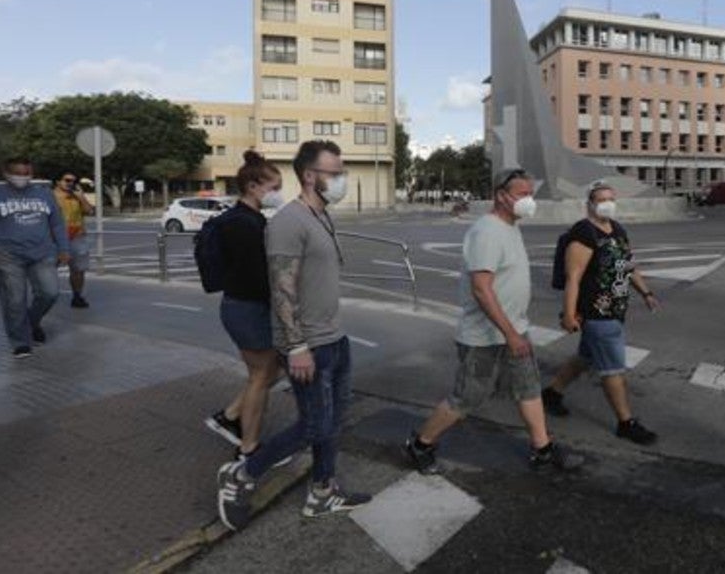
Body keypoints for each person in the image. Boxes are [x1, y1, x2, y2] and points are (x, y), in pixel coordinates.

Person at [217, 141, 371, 531]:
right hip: (308, 344)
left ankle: (322, 491)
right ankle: (242, 475)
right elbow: (281, 287)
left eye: (341, 172)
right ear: (309, 175)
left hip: (334, 338)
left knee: (333, 422)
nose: (341, 180)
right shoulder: (289, 221)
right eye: (333, 173)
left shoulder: (321, 216)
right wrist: (297, 345)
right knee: (314, 426)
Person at [404, 168, 581, 475]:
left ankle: (543, 449)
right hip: (484, 338)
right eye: (522, 194)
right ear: (501, 195)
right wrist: (511, 333)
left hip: (514, 331)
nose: (529, 200)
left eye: (530, 194)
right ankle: (421, 443)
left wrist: (516, 331)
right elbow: (482, 290)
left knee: (529, 389)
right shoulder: (486, 231)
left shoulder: (511, 227)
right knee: (466, 399)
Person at [540, 182, 660, 445]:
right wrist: (569, 314)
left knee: (585, 357)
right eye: (602, 199)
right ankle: (625, 422)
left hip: (615, 310)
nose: (608, 203)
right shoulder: (583, 233)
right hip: (596, 312)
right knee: (612, 369)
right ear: (590, 204)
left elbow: (628, 265)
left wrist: (646, 293)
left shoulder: (617, 229)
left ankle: (552, 393)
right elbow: (573, 278)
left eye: (611, 198)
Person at [203, 151, 288, 463]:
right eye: (274, 188)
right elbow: (257, 277)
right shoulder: (243, 224)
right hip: (247, 309)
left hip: (245, 307)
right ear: (253, 186)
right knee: (261, 376)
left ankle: (231, 416)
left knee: (271, 371)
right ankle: (248, 448)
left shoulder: (251, 219)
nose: (278, 194)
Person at [0, 156, 68, 358]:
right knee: (14, 299)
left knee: (50, 293)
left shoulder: (44, 194)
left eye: (26, 173)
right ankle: (20, 341)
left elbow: (56, 223)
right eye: (17, 173)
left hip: (43, 252)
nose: (22, 177)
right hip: (7, 256)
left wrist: (64, 249)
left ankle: (30, 321)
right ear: (5, 173)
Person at [52, 171, 95, 309]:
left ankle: (77, 296)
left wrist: (81, 197)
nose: (71, 183)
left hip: (77, 236)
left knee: (78, 269)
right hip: (55, 238)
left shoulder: (76, 196)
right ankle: (45, 294)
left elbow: (90, 211)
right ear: (58, 182)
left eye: (73, 181)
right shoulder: (50, 197)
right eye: (67, 180)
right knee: (49, 268)